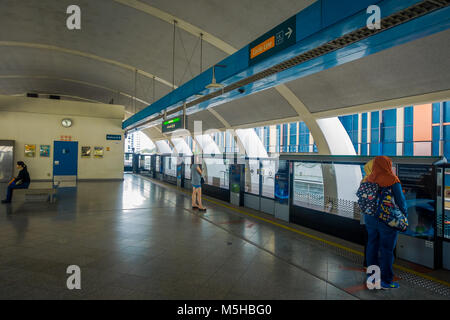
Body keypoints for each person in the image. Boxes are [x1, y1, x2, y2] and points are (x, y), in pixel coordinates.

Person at [365, 156, 407, 289]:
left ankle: (372, 279)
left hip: (370, 218)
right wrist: (404, 217)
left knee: (372, 246)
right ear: (387, 165)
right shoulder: (392, 180)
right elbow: (401, 202)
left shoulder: (368, 178)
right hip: (387, 220)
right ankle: (386, 281)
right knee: (386, 250)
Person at [360, 159, 374, 268]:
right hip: (374, 218)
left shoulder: (364, 181)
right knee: (374, 241)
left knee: (368, 241)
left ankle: (367, 263)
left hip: (365, 218)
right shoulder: (377, 181)